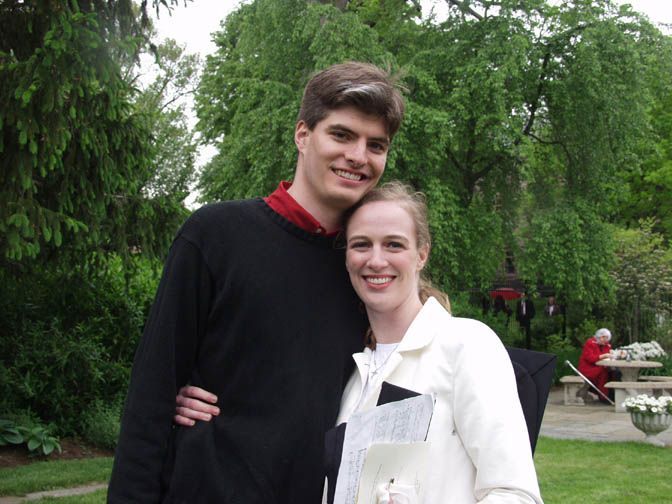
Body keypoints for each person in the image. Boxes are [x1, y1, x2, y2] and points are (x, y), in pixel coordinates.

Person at [107, 62, 405, 503]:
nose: (359, 156)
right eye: (342, 135)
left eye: (375, 145)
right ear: (302, 135)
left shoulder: (369, 269)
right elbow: (151, 398)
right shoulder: (215, 235)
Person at [179, 183, 543, 503]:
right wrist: (199, 399)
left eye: (394, 244)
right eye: (361, 245)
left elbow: (515, 494)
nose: (376, 260)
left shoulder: (466, 346)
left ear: (422, 254)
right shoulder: (352, 374)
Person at [578, 328, 614, 401]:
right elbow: (590, 358)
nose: (605, 340)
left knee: (613, 372)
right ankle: (604, 396)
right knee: (604, 372)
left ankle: (611, 395)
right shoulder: (590, 342)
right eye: (604, 338)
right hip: (588, 368)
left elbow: (608, 355)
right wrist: (604, 356)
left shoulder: (606, 345)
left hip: (599, 366)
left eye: (607, 338)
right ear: (599, 336)